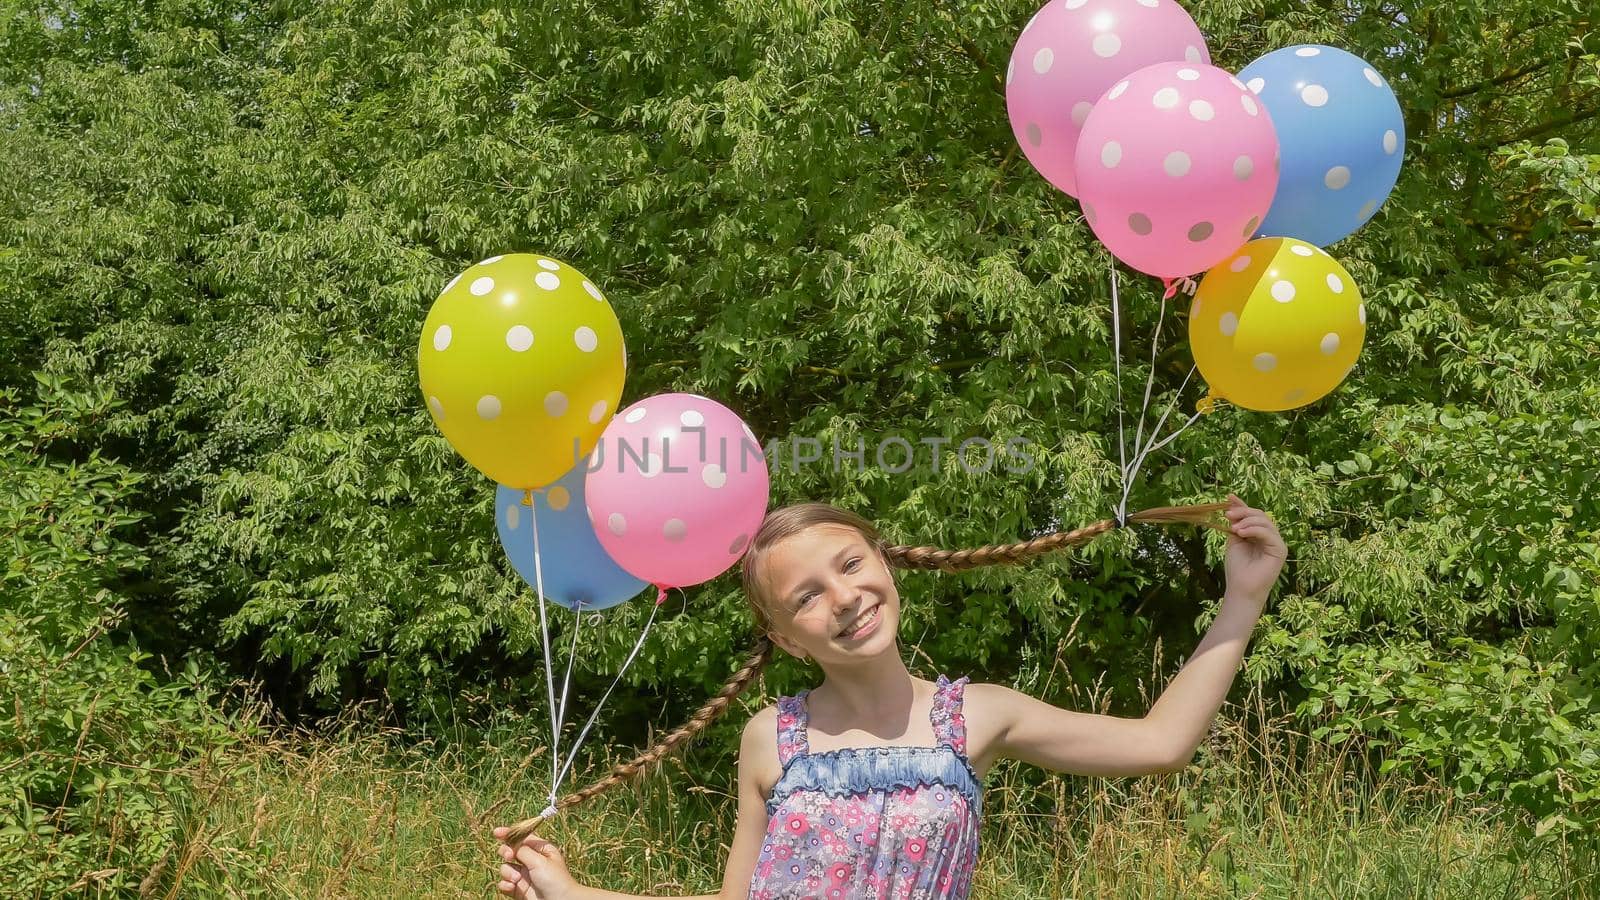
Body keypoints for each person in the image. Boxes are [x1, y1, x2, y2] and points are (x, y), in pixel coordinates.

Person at [493, 493, 1285, 899]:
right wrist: (571, 891)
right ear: (786, 639)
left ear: (885, 562)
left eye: (848, 564)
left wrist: (1242, 601)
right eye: (803, 598)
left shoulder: (974, 715)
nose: (840, 598)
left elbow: (1160, 744)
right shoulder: (772, 740)